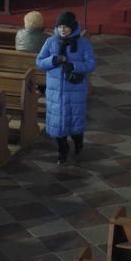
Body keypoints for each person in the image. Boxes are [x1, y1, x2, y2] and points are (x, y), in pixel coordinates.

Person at [36, 11, 96, 164]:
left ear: (73, 27)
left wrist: (74, 66)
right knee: (58, 124)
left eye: (66, 27)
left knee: (75, 123)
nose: (62, 30)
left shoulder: (83, 43)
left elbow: (91, 64)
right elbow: (40, 62)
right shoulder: (51, 42)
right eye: (60, 26)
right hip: (56, 92)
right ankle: (62, 152)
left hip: (75, 91)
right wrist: (53, 60)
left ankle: (78, 143)